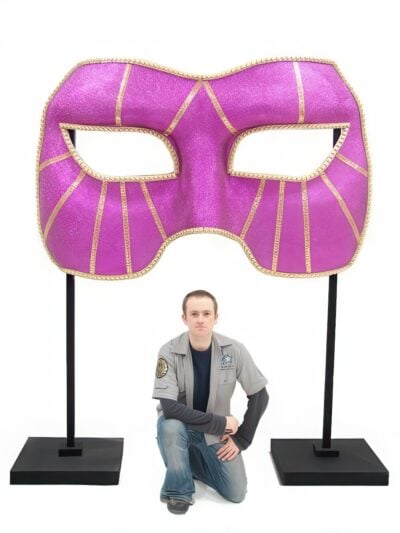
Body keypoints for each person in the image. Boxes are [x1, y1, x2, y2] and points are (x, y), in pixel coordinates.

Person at [152, 290, 269, 514]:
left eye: (206, 314)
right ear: (184, 318)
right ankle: (179, 492)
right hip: (181, 426)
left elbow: (260, 395)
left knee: (236, 493)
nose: (200, 319)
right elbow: (170, 408)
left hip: (214, 434)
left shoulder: (234, 350)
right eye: (194, 314)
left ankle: (185, 463)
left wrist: (242, 439)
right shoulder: (168, 351)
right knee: (170, 426)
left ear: (216, 317)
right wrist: (221, 423)